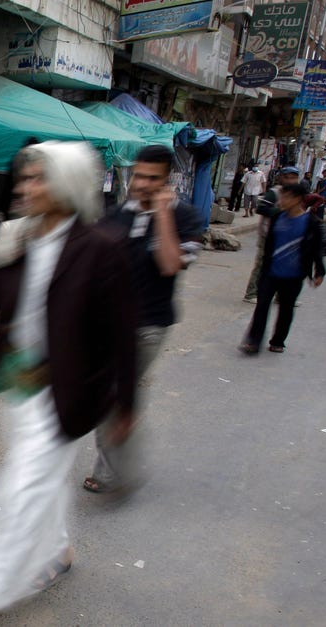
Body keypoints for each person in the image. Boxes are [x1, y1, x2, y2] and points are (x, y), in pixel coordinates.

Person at [0, 141, 136, 625]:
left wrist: (125, 408)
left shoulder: (100, 250)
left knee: (22, 488)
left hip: (67, 394)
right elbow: (1, 291)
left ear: (67, 187)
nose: (26, 187)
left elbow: (122, 339)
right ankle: (58, 550)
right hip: (22, 387)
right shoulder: (28, 239)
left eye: (39, 179)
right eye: (26, 178)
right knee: (40, 481)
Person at [84, 145, 203, 495]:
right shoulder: (117, 214)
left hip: (149, 324)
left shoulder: (186, 219)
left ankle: (111, 470)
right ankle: (121, 458)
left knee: (118, 393)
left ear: (168, 181)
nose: (142, 184)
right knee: (113, 396)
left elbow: (169, 264)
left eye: (153, 178)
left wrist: (162, 215)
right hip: (109, 324)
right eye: (138, 175)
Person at [239, 183, 325, 354]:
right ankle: (253, 341)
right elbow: (269, 243)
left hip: (294, 275)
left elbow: (317, 249)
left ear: (298, 199)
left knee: (286, 308)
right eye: (282, 196)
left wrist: (319, 271)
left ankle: (278, 341)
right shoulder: (278, 217)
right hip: (271, 272)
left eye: (287, 197)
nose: (283, 200)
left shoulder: (311, 223)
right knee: (262, 305)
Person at [243, 166, 300, 303]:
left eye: (294, 177)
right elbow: (262, 209)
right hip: (270, 235)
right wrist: (281, 210)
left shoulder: (299, 193)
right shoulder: (274, 193)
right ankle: (251, 293)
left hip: (289, 237)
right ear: (281, 177)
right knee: (263, 264)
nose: (290, 180)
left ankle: (281, 296)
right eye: (287, 177)